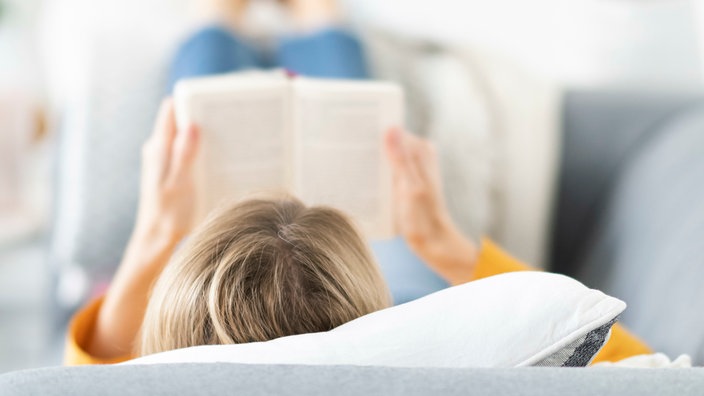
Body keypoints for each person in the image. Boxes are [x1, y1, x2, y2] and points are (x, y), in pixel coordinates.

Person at [64, 0, 652, 365]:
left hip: (338, 291)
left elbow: (76, 379)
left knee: (211, 123)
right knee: (347, 134)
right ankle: (307, 15)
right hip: (386, 295)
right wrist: (446, 247)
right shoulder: (432, 341)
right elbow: (648, 371)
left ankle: (225, 17)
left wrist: (151, 239)